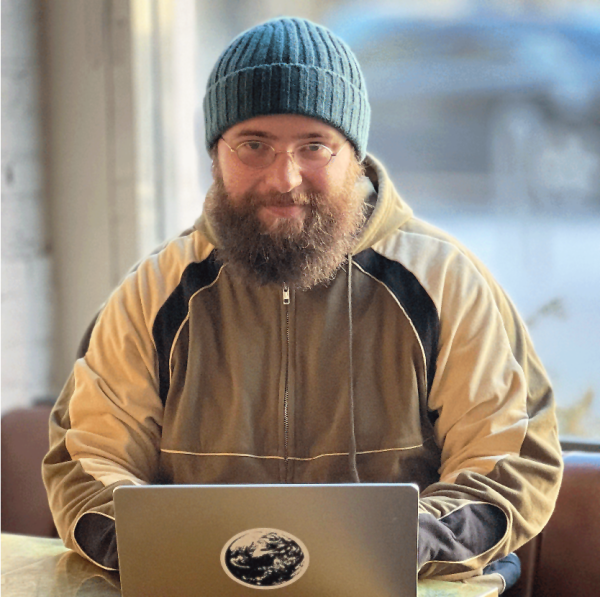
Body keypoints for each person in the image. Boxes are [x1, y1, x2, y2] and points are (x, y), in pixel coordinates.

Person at [43, 16, 562, 592]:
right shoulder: (154, 293)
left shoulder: (445, 283)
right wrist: (174, 559)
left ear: (355, 156)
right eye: (253, 145)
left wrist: (391, 547)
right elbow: (87, 461)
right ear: (216, 153)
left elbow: (508, 463)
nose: (284, 178)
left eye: (314, 146)